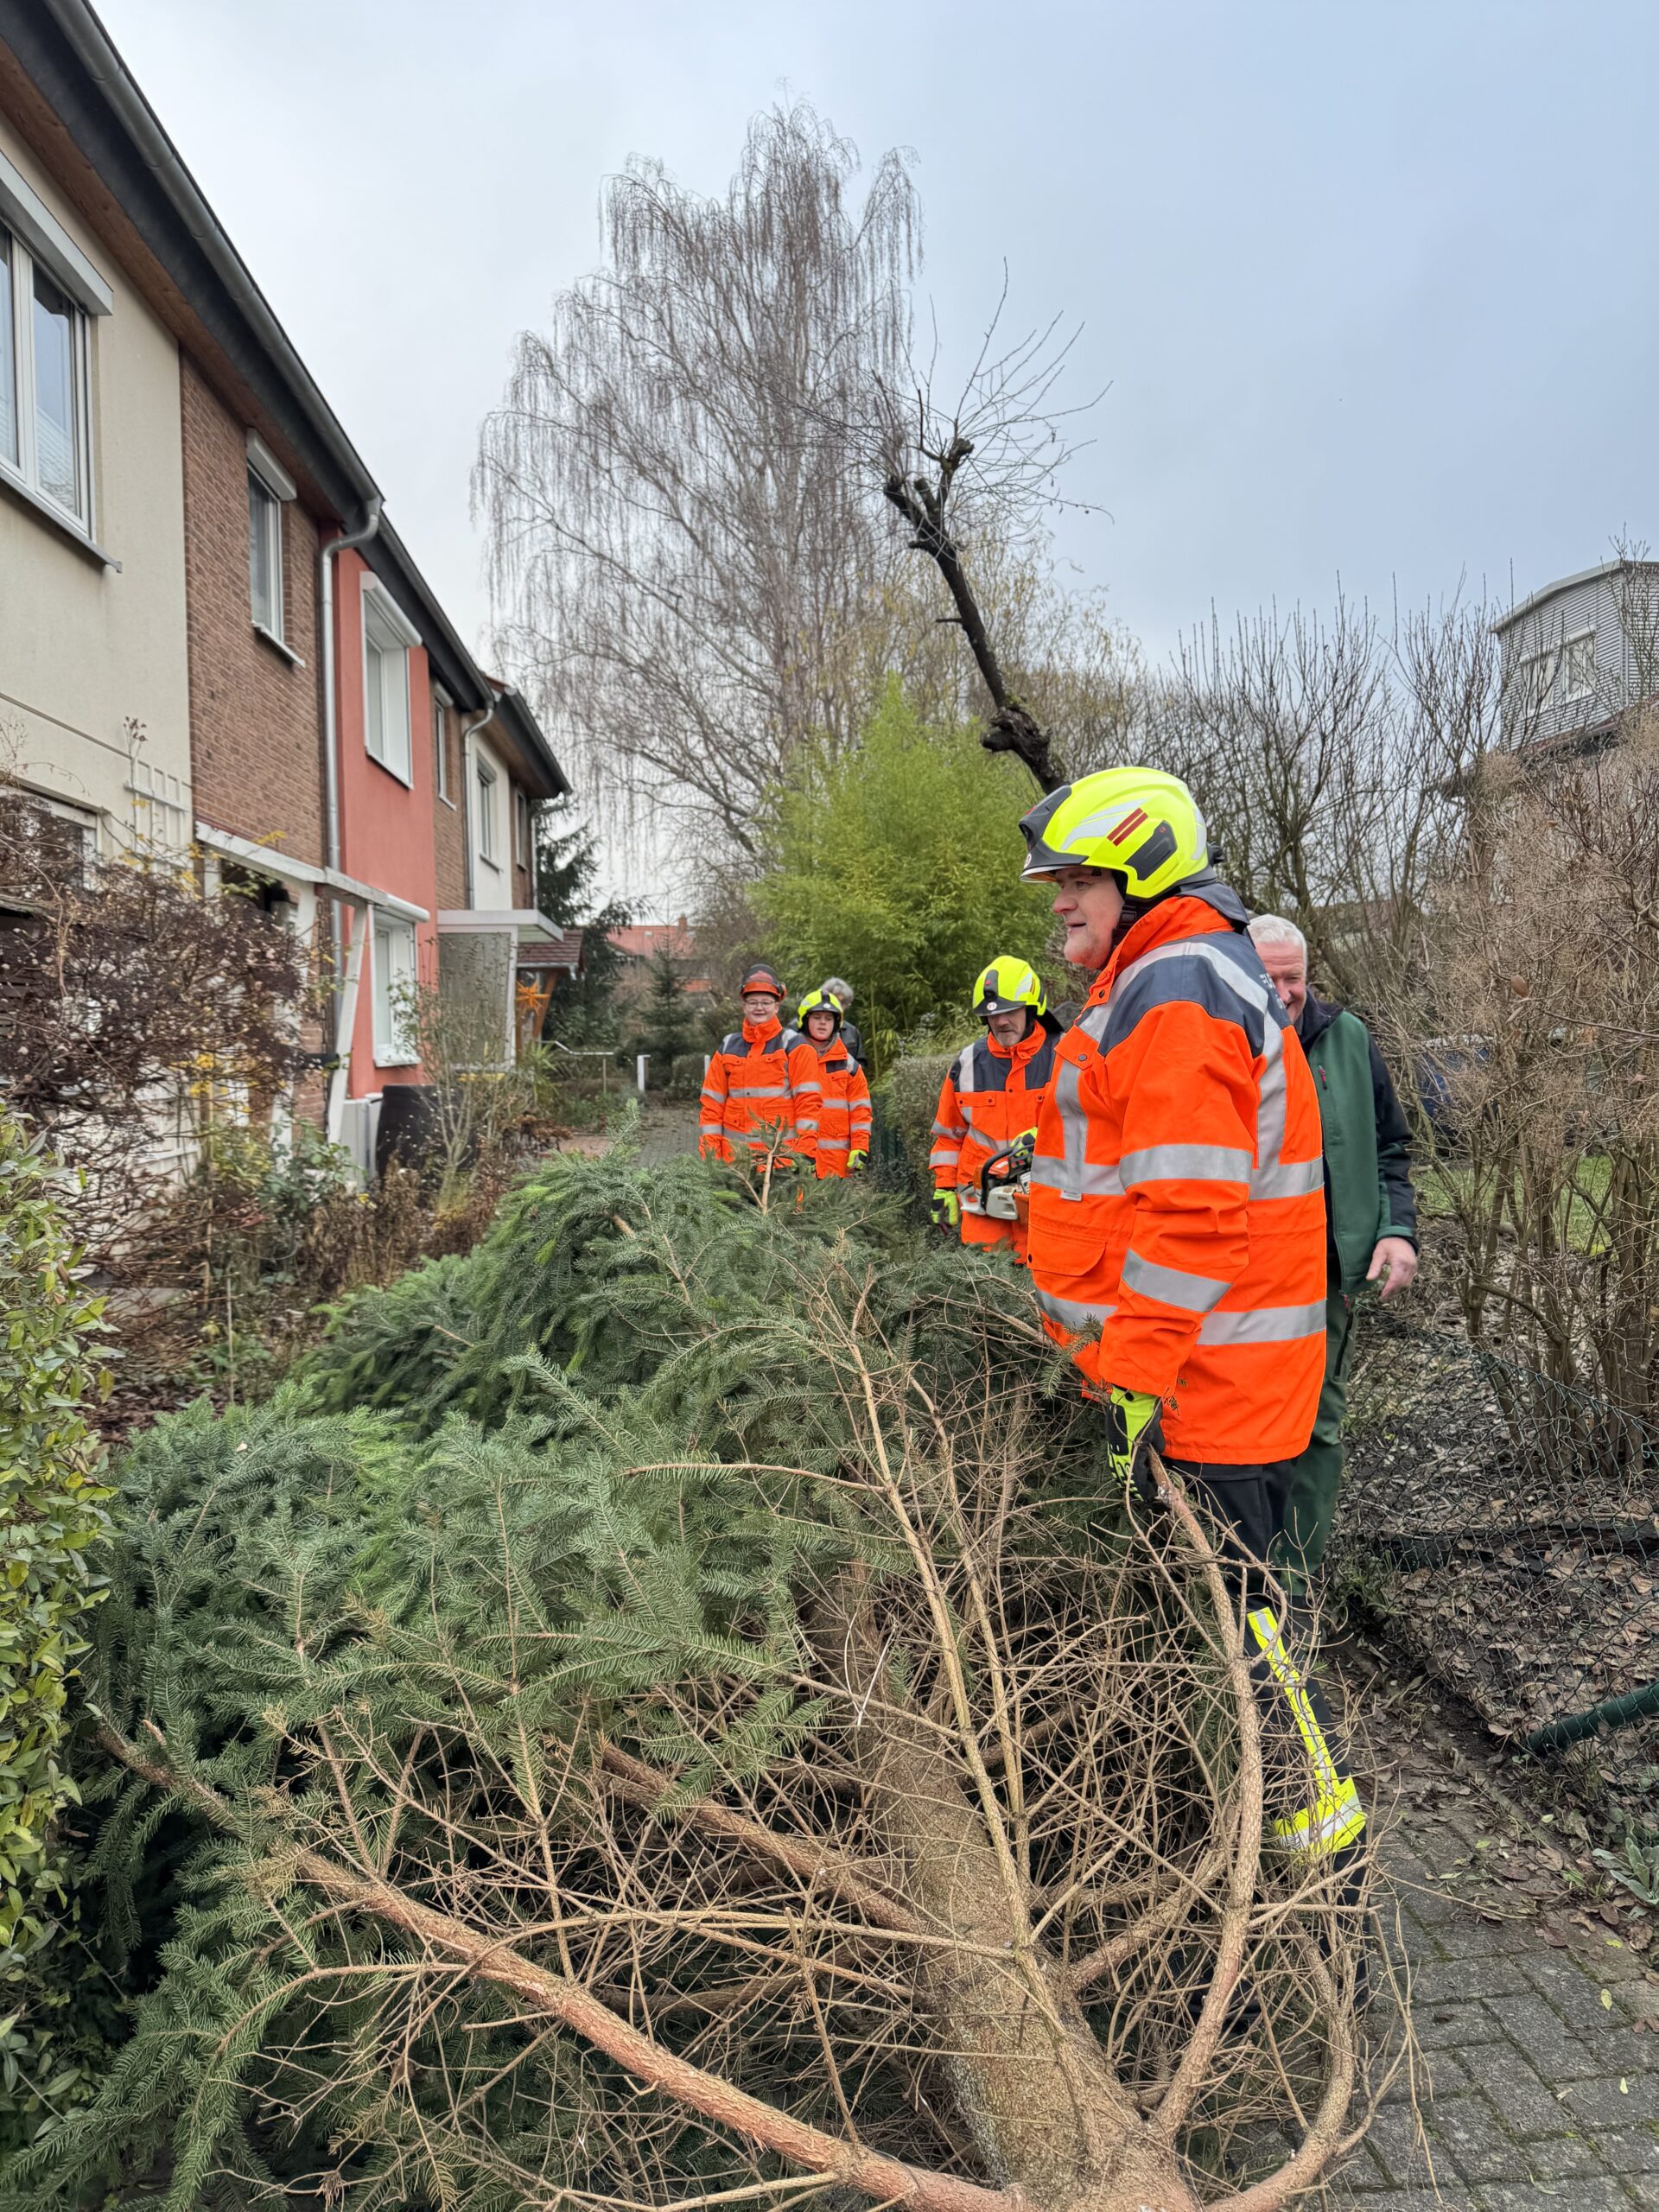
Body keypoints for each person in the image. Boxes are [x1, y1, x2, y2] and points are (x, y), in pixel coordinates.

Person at [1018, 766, 1363, 1864]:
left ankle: (1316, 1846)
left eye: (1077, 880)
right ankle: (1258, 1825)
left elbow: (1191, 1220)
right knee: (1223, 1623)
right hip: (1198, 1376)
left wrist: (1133, 1378)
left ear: (1139, 874)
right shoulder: (1165, 975)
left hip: (1203, 1385)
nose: (1060, 902)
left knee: (1242, 1626)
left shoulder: (1176, 986)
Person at [1246, 914, 1418, 1596]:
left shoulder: (1348, 1039)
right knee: (1240, 1427)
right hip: (1239, 1279)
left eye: (1293, 977)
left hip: (1323, 1281)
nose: (1283, 992)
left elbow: (1390, 1149)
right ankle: (1230, 1579)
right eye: (1269, 977)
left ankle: (1291, 1587)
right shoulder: (1220, 1038)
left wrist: (1395, 1230)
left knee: (1317, 1428)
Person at [928, 957, 1060, 1263]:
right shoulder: (966, 1065)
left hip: (1048, 1215)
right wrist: (944, 1187)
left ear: (1031, 1009)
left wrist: (1049, 1134)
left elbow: (1092, 1126)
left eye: (1010, 1011)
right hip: (985, 1221)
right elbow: (949, 1135)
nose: (1001, 1022)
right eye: (994, 1014)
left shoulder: (1064, 1056)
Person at [698, 964, 818, 1174]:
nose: (759, 1008)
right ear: (744, 1007)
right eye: (753, 1002)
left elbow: (808, 1103)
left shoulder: (795, 1046)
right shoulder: (728, 1046)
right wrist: (710, 1157)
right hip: (734, 1165)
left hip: (781, 1162)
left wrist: (805, 1154)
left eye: (766, 1002)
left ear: (777, 1007)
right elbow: (712, 1106)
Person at [795, 988, 872, 1177]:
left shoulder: (848, 1066)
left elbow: (860, 1110)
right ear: (805, 1020)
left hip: (835, 1166)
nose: (823, 1023)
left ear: (837, 1023)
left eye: (828, 1019)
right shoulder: (789, 1059)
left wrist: (860, 1146)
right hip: (795, 1163)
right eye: (817, 1017)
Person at [820, 977, 867, 1070]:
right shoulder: (805, 1028)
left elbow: (861, 1064)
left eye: (843, 1003)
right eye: (835, 1001)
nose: (838, 1006)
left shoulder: (852, 1031)